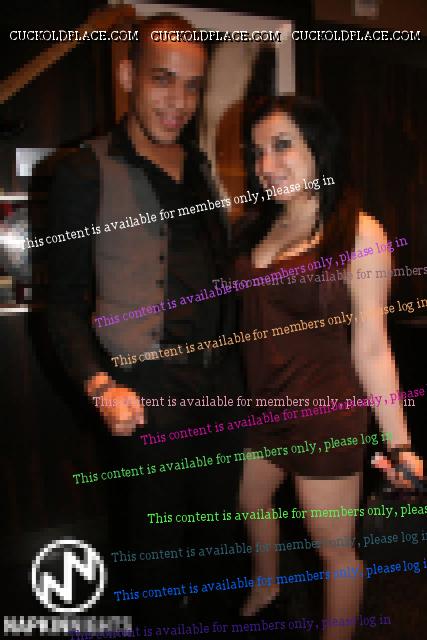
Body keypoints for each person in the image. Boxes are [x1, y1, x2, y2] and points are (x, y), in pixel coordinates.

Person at [46, 13, 242, 623]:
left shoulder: (202, 169)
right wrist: (100, 385)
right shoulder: (85, 169)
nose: (179, 101)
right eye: (163, 80)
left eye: (192, 86)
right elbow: (61, 305)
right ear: (129, 75)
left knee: (219, 547)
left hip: (219, 387)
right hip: (144, 390)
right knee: (152, 554)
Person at [232, 95, 424, 638]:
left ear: (320, 148)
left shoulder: (360, 233)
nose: (267, 164)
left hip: (324, 414)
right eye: (258, 152)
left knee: (334, 550)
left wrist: (400, 444)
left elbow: (372, 346)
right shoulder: (259, 225)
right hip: (265, 405)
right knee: (249, 498)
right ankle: (266, 588)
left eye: (283, 146)